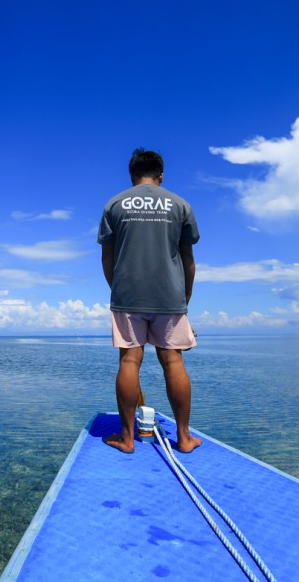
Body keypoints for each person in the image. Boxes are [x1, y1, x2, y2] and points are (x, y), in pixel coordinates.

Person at [97, 148, 202, 454]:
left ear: (132, 175)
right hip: (170, 294)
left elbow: (107, 256)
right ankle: (183, 438)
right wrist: (185, 295)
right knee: (173, 360)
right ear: (161, 175)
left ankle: (127, 438)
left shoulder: (114, 204)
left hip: (127, 295)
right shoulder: (180, 204)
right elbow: (188, 259)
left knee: (130, 360)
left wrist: (118, 288)